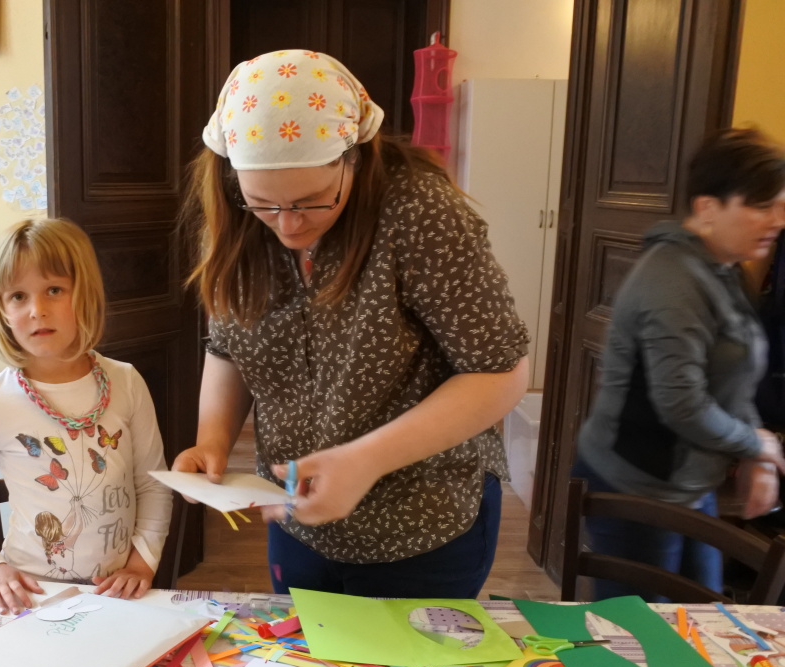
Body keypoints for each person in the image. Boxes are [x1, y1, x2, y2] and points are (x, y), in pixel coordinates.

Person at [172, 49, 530, 599]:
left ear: (355, 157)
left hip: (420, 524)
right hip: (297, 520)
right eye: (263, 203)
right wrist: (212, 442)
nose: (288, 225)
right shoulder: (233, 215)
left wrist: (365, 461)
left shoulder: (420, 212)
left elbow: (500, 372)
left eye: (313, 201)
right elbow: (228, 347)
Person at [574, 128, 785, 601]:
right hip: (636, 484)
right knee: (636, 628)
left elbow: (736, 375)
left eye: (780, 204)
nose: (778, 219)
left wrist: (757, 453)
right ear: (708, 208)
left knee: (702, 612)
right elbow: (682, 404)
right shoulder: (672, 281)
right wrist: (758, 444)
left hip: (687, 480)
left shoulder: (724, 267)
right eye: (762, 206)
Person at [0, 218, 173, 614]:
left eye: (54, 290)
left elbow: (153, 484)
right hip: (32, 597)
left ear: (85, 294)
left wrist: (142, 562)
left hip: (119, 596)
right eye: (18, 296)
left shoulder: (126, 382)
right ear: (3, 310)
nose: (37, 311)